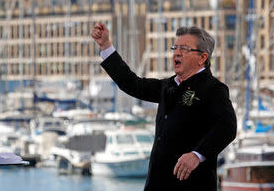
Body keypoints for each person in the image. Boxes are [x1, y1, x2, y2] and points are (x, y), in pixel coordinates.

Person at [91, 22, 237, 190]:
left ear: (202, 58)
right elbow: (132, 84)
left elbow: (228, 127)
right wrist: (106, 46)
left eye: (185, 49)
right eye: (175, 48)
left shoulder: (214, 89)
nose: (177, 53)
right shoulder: (167, 86)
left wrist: (198, 155)